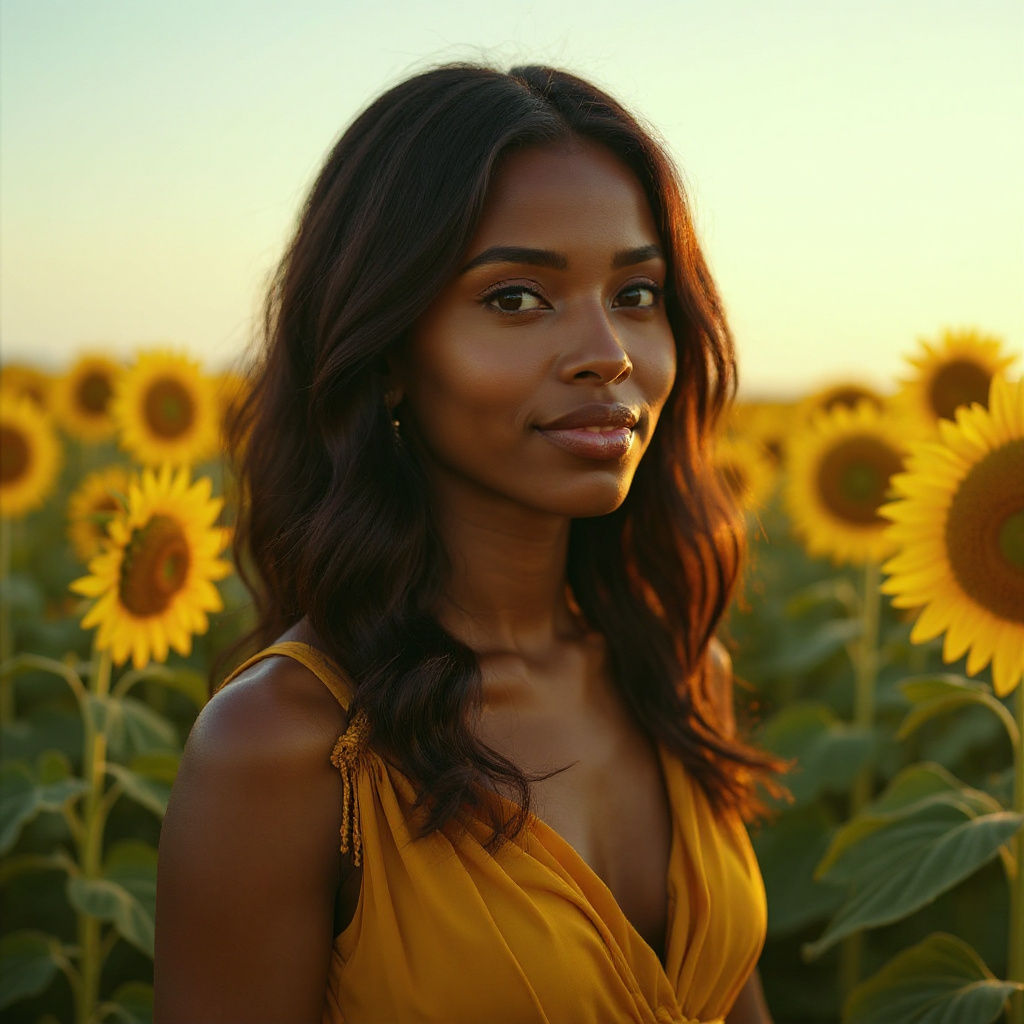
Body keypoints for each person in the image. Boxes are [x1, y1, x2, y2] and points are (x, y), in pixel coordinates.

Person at [154, 62, 782, 1023]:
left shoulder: (677, 665)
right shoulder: (285, 749)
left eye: (638, 292)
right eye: (517, 298)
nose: (607, 350)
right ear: (389, 350)